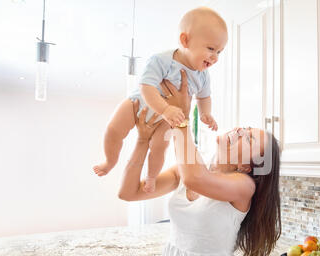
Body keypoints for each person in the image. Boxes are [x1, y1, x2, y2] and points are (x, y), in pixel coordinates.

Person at [118, 70, 282, 256]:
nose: (240, 131)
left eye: (250, 138)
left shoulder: (243, 186)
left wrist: (180, 116)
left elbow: (195, 178)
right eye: (244, 128)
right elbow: (128, 192)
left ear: (247, 166)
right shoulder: (189, 169)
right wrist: (142, 140)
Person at [94, 7, 227, 195]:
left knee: (159, 148)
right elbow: (146, 86)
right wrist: (165, 109)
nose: (215, 57)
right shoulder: (162, 60)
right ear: (185, 40)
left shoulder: (203, 77)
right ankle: (110, 161)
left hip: (167, 120)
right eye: (211, 49)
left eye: (220, 52)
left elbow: (204, 97)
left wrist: (206, 114)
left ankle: (151, 178)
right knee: (113, 130)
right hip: (138, 105)